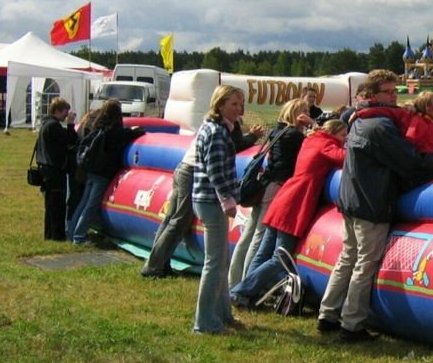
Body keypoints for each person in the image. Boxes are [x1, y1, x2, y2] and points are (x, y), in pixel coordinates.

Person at [317, 69, 433, 342]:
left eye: (396, 91)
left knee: (348, 258)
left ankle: (327, 313)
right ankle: (352, 324)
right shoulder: (380, 126)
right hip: (371, 203)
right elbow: (410, 162)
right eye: (389, 92)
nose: (394, 97)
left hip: (352, 200)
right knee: (364, 264)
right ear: (372, 95)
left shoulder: (360, 119)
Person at [230, 119, 348, 307]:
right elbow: (344, 156)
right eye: (342, 135)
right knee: (281, 256)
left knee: (264, 251)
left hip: (284, 197)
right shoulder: (326, 143)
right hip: (295, 203)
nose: (344, 139)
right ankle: (240, 291)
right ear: (333, 133)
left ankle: (247, 294)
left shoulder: (311, 139)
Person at [141, 115, 263, 278]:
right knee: (179, 220)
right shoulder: (221, 127)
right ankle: (154, 266)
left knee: (172, 218)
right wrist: (252, 136)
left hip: (184, 167)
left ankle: (157, 262)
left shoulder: (211, 123)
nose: (239, 109)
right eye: (235, 104)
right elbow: (233, 146)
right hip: (192, 172)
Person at [228, 98, 311, 288]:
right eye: (304, 110)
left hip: (264, 185)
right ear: (297, 113)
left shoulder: (278, 131)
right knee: (259, 236)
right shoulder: (295, 136)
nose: (308, 114)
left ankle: (234, 279)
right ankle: (245, 284)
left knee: (249, 234)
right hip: (277, 188)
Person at [191, 85, 245, 334]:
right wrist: (228, 200)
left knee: (220, 260)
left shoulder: (219, 129)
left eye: (240, 103)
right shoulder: (216, 132)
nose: (239, 109)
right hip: (212, 202)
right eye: (234, 104)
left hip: (209, 200)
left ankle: (222, 313)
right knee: (214, 263)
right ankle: (205, 321)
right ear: (220, 104)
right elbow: (215, 171)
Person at [67, 100, 144, 245]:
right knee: (91, 205)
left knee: (83, 203)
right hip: (102, 174)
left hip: (91, 170)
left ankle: (72, 233)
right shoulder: (114, 132)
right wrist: (137, 130)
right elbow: (132, 134)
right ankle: (79, 236)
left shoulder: (99, 128)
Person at [36, 98, 78, 241]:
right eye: (65, 112)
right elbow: (70, 140)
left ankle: (49, 234)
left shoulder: (46, 124)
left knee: (50, 205)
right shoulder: (53, 126)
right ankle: (57, 235)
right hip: (54, 171)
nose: (67, 116)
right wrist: (71, 125)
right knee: (57, 205)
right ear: (57, 111)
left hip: (45, 168)